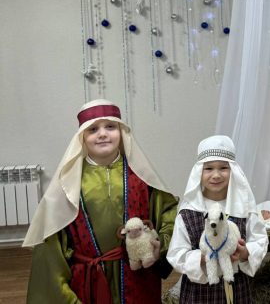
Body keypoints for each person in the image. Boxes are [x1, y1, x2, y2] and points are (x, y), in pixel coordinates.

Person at [23, 99, 178, 304]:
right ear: (82, 137)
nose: (103, 134)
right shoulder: (68, 184)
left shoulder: (142, 177)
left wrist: (160, 245)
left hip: (138, 277)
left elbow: (169, 214)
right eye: (93, 129)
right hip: (89, 282)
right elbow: (51, 244)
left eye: (110, 126)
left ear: (121, 132)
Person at [167, 135, 268, 304]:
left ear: (233, 170)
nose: (216, 175)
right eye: (209, 168)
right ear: (199, 172)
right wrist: (204, 256)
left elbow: (260, 240)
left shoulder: (244, 208)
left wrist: (245, 252)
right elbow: (176, 254)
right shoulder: (188, 213)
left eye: (223, 168)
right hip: (198, 293)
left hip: (237, 289)